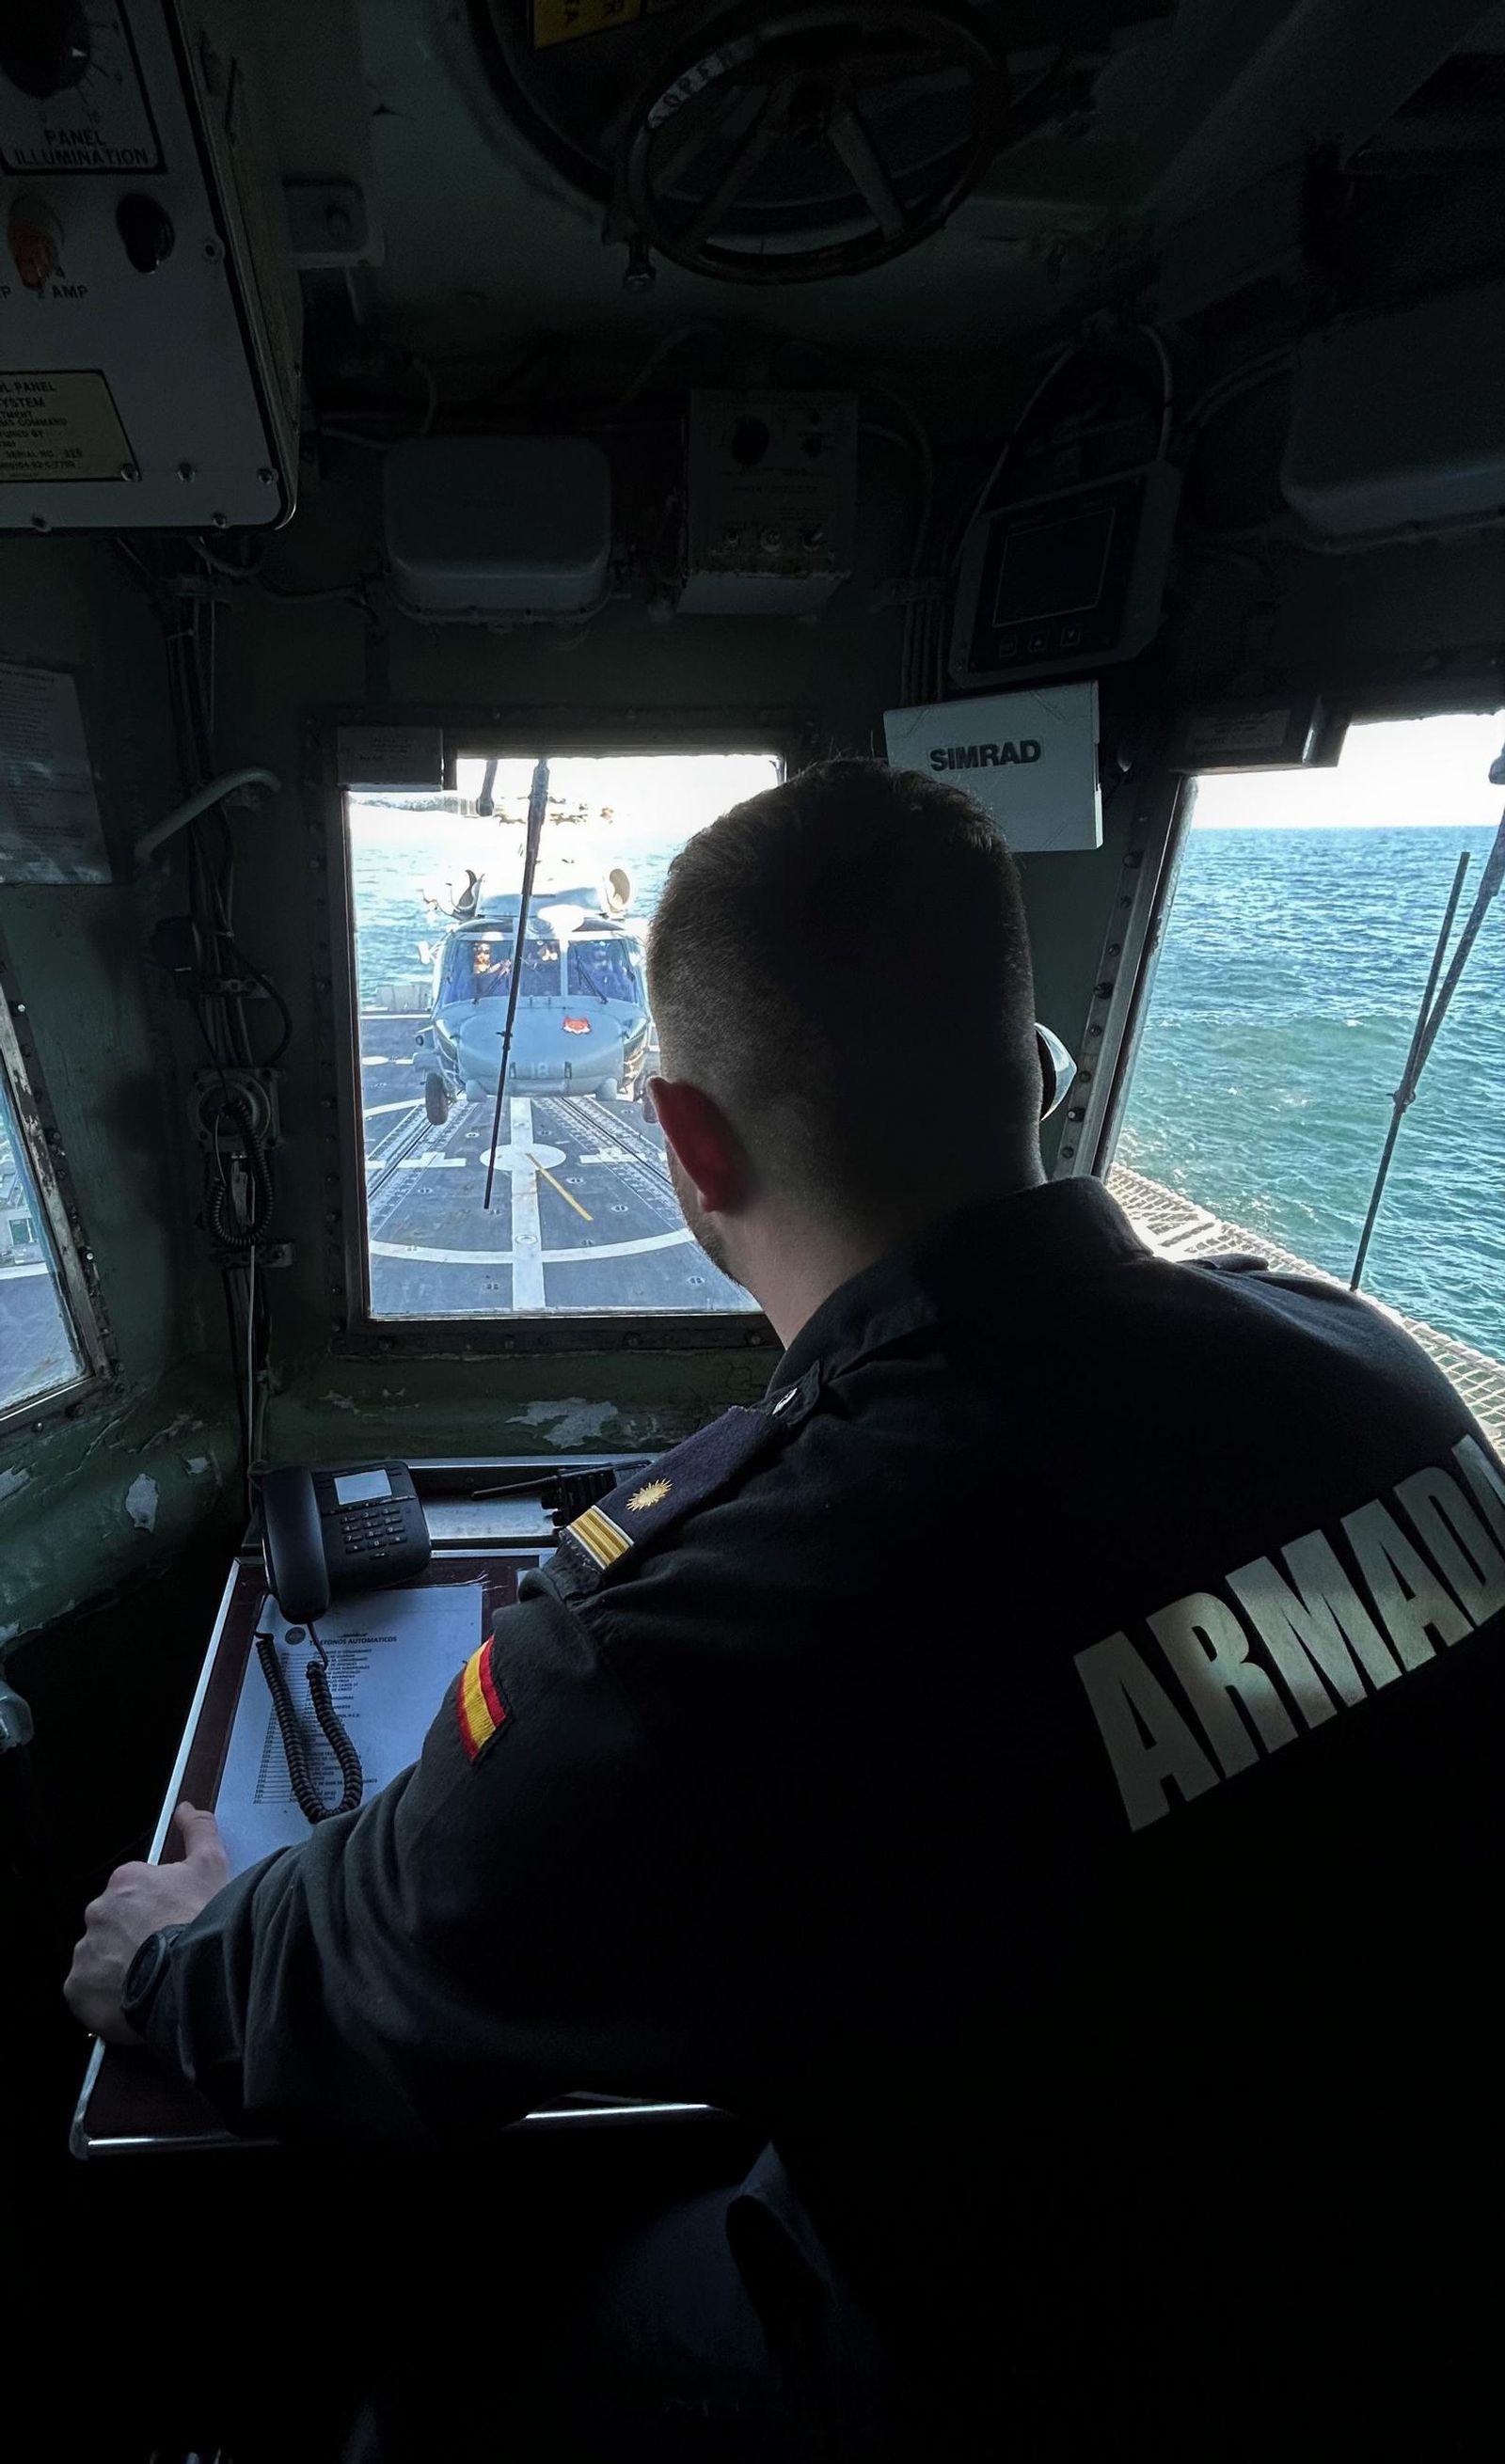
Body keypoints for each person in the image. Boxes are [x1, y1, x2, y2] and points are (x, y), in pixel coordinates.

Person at [68, 762, 1505, 2457]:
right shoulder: (1377, 1383)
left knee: (427, 2382)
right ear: (1036, 1069)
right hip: (1413, 2292)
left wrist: (178, 1957)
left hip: (1040, 2369)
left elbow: (371, 1972)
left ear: (687, 1142)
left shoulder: (719, 1625)